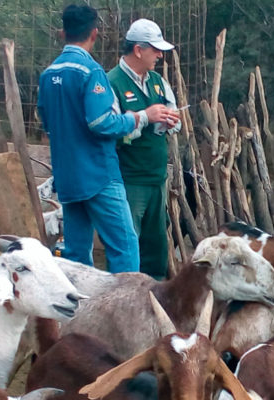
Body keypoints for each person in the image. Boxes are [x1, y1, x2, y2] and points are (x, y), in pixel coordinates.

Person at [38, 5, 173, 272]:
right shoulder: (91, 72)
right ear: (95, 33)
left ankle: (81, 310)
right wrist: (140, 117)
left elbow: (46, 121)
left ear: (63, 32)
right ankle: (125, 311)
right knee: (125, 246)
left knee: (76, 251)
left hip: (68, 177)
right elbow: (101, 122)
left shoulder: (48, 75)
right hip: (99, 174)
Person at [108, 19, 181, 280]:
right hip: (129, 179)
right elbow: (113, 129)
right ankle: (126, 297)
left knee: (156, 244)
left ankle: (156, 296)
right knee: (129, 243)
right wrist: (147, 117)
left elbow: (176, 120)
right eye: (155, 50)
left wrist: (170, 121)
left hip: (157, 177)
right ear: (138, 50)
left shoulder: (158, 82)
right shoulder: (111, 82)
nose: (160, 55)